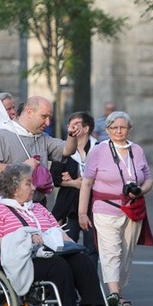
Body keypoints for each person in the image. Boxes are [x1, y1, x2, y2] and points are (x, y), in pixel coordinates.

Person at [0, 163, 119, 306]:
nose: (33, 187)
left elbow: (58, 232)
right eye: (28, 183)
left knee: (82, 261)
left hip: (46, 254)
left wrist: (72, 246)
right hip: (18, 260)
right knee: (58, 266)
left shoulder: (38, 208)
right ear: (14, 188)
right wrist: (25, 238)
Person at [78, 111, 153, 306]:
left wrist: (140, 191)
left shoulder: (136, 150)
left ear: (129, 129)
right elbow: (86, 183)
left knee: (127, 252)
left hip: (132, 208)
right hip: (105, 208)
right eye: (114, 127)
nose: (119, 131)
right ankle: (113, 293)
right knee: (111, 252)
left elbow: (148, 178)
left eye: (123, 127)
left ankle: (118, 289)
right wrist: (82, 213)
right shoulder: (99, 151)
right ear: (107, 129)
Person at [0, 96, 80, 205]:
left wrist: (72, 135)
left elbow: (67, 150)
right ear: (29, 112)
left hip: (39, 204)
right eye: (44, 116)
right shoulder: (1, 136)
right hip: (12, 206)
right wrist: (22, 167)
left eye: (49, 118)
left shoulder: (43, 137)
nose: (47, 123)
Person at [50, 112, 98, 265]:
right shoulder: (65, 149)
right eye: (70, 124)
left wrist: (84, 182)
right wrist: (74, 183)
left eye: (76, 124)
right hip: (69, 206)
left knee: (92, 247)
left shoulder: (98, 148)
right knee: (68, 246)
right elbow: (54, 177)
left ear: (86, 128)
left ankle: (90, 282)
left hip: (94, 205)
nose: (71, 127)